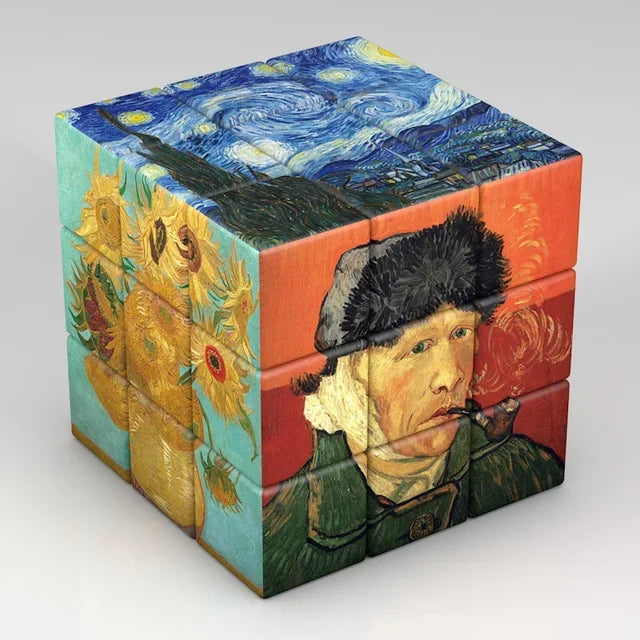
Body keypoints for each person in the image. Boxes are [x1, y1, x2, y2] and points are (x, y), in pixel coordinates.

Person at [262, 207, 564, 596]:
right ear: (353, 373)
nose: (451, 375)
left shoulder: (523, 466)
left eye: (461, 333)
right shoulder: (285, 538)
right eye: (418, 347)